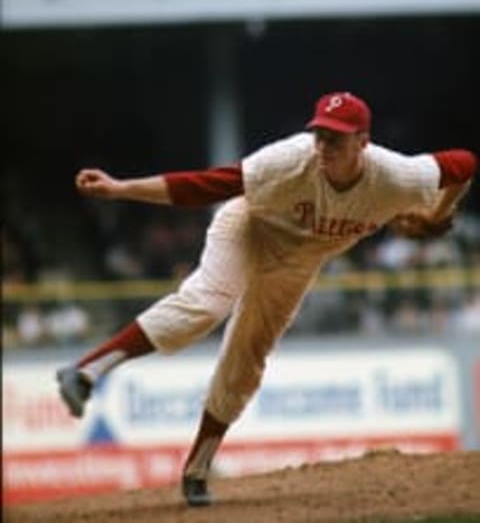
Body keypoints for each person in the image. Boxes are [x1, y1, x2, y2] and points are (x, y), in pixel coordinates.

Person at [56, 91, 477, 506]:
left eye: (337, 138)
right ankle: (86, 372)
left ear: (363, 142)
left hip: (297, 262)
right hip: (249, 228)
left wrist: (436, 214)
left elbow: (465, 164)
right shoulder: (293, 158)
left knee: (247, 356)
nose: (324, 146)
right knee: (206, 304)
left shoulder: (395, 176)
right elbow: (206, 185)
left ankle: (198, 468)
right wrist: (120, 188)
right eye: (321, 135)